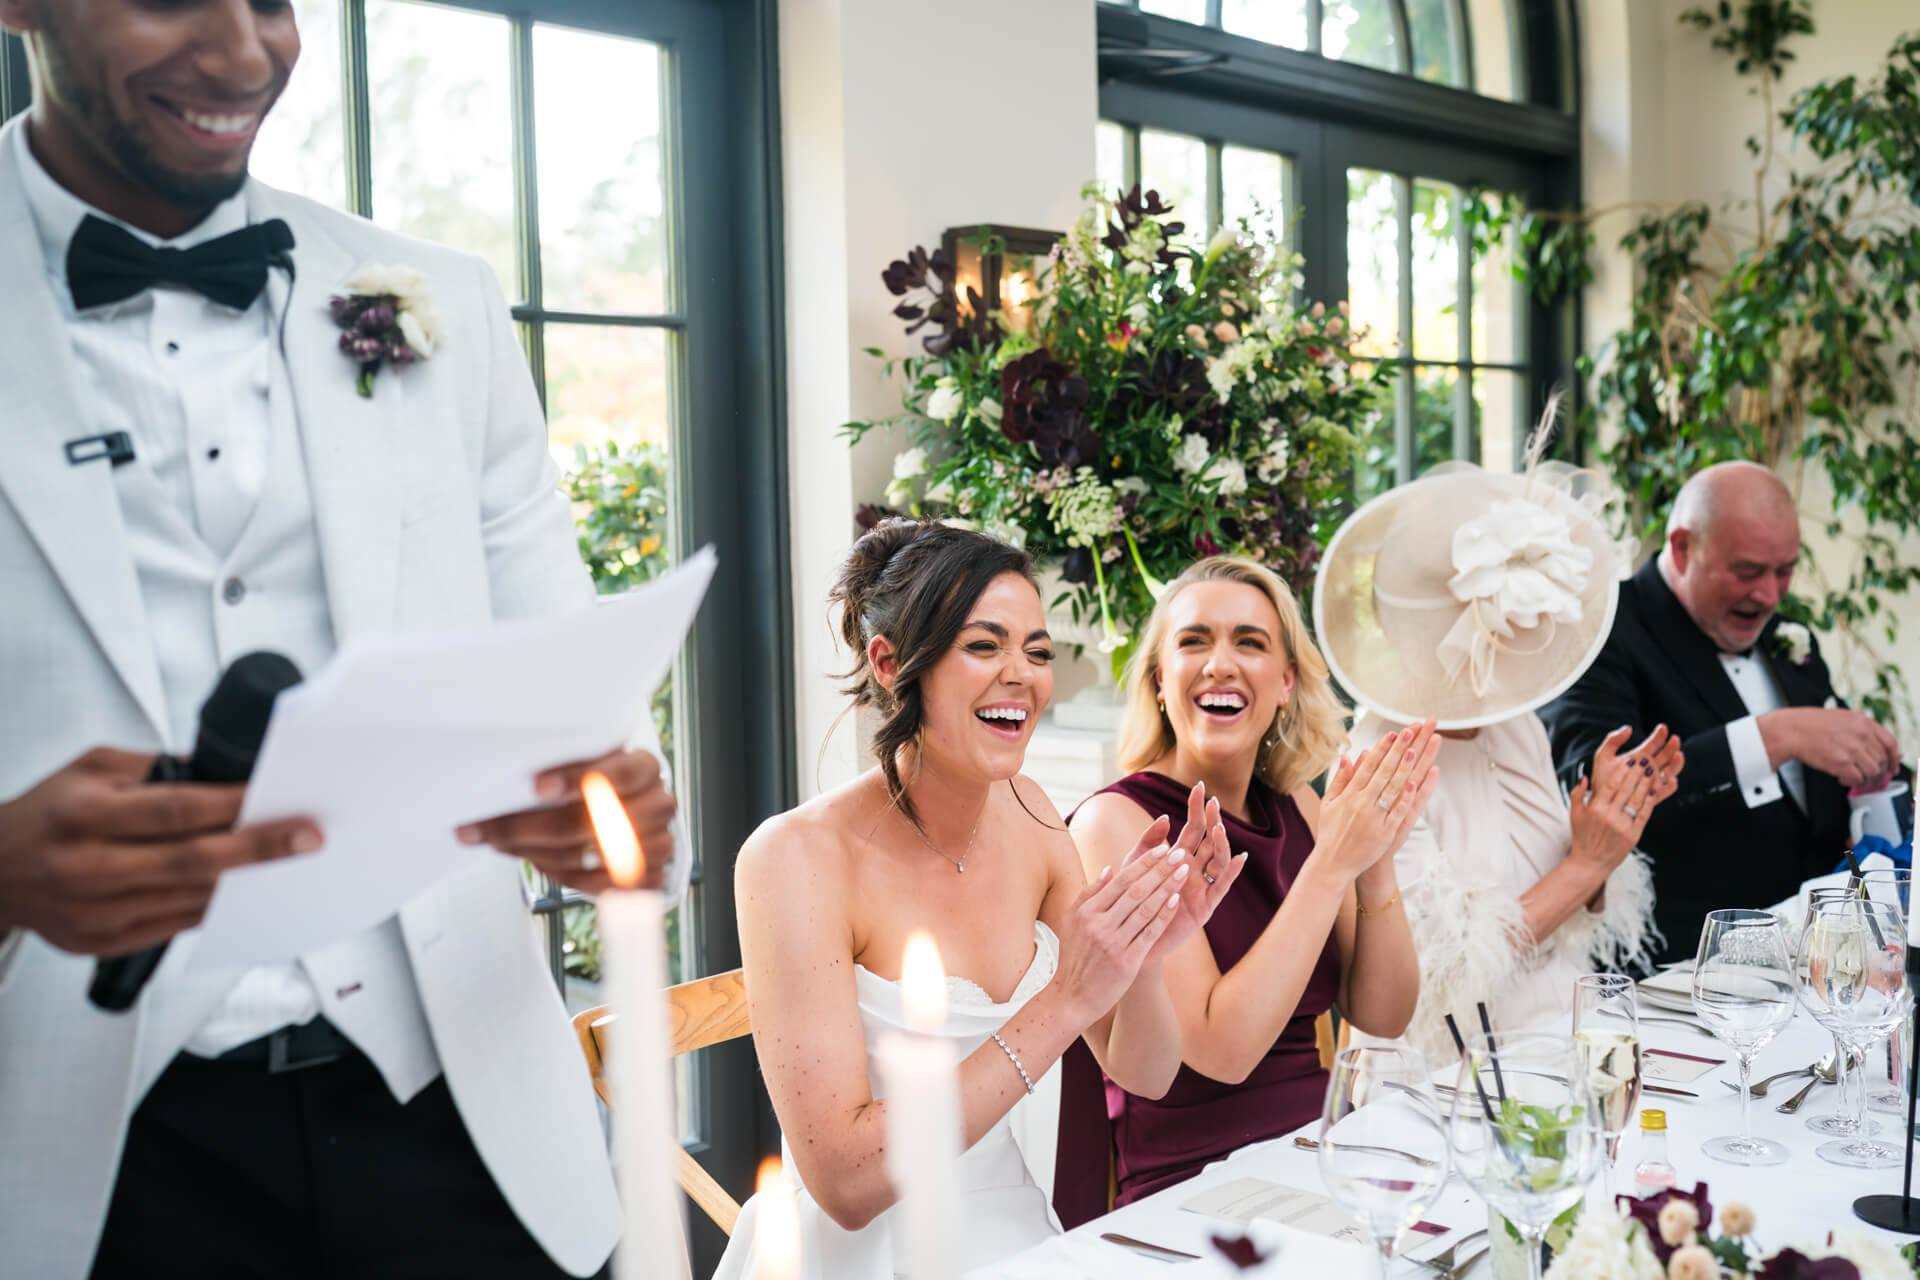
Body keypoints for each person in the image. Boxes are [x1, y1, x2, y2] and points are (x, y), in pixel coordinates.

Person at [0, 3, 681, 1275]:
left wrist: (614, 809)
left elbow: (601, 742)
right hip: (77, 1172)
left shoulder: (448, 305)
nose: (246, 54)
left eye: (270, 0)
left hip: (474, 1136)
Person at [715, 520, 1243, 1280]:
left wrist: (1147, 956)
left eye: (1036, 651)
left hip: (1018, 1239)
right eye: (984, 646)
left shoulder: (1030, 814)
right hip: (859, 1255)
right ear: (892, 664)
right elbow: (848, 1185)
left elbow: (1147, 1073)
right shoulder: (793, 857)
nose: (1021, 676)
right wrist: (1064, 1000)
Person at [1056, 556, 1431, 1223]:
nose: (1220, 663)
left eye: (1250, 643)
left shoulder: (1298, 808)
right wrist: (1330, 865)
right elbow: (1221, 1051)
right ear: (1159, 682)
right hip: (1194, 1198)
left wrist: (1374, 857)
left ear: (1286, 683)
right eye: (1194, 641)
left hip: (1324, 1162)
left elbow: (1383, 1014)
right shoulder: (1116, 823)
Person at [1312, 452, 1682, 1065]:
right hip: (1450, 1084)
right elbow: (1446, 976)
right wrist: (1586, 864)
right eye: (1509, 637)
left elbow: (1572, 920)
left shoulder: (1518, 729)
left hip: (1572, 1042)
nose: (1526, 656)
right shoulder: (1379, 763)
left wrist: (1605, 832)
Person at [1540, 461, 1903, 962]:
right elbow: (1589, 785)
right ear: (1682, 547)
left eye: (1785, 571)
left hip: (1822, 957)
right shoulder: (1601, 631)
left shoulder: (1788, 640)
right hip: (1681, 971)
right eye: (1748, 571)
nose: (1770, 595)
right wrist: (1773, 736)